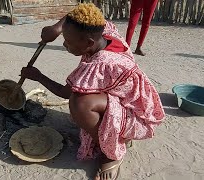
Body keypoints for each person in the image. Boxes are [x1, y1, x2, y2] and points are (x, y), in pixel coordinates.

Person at [21, 3, 165, 180]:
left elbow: (66, 93)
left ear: (88, 43)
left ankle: (111, 152)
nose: (65, 44)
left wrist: (38, 76)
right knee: (81, 101)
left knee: (79, 103)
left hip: (137, 115)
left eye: (69, 41)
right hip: (124, 99)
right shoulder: (105, 32)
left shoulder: (101, 64)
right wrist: (56, 28)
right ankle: (112, 130)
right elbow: (81, 13)